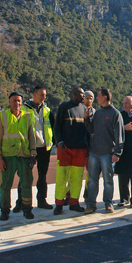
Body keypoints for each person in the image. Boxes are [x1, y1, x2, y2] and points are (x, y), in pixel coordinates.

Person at [0, 92, 37, 221]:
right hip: (8, 156)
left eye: (19, 101)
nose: (17, 103)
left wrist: (33, 153)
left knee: (26, 183)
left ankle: (27, 209)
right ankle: (5, 210)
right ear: (9, 102)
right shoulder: (3, 116)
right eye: (14, 100)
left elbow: (31, 135)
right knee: (6, 185)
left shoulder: (28, 116)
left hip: (24, 155)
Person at [85, 88, 124, 214]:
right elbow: (92, 130)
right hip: (95, 152)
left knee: (108, 180)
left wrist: (117, 153)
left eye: (98, 96)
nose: (96, 98)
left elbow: (119, 135)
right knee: (92, 180)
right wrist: (86, 119)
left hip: (108, 153)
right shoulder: (98, 113)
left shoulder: (115, 113)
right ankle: (91, 205)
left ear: (106, 97)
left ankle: (108, 204)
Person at [16, 85, 55, 211]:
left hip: (44, 148)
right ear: (34, 94)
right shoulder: (23, 109)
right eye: (41, 95)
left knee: (42, 176)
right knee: (25, 176)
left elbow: (53, 127)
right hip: (29, 148)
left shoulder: (47, 110)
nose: (44, 97)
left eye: (45, 95)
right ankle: (21, 202)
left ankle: (42, 200)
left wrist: (53, 142)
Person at [53, 86, 90, 214]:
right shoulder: (64, 107)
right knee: (62, 177)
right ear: (74, 94)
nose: (84, 96)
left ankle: (74, 203)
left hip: (80, 150)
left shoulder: (85, 109)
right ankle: (59, 204)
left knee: (77, 178)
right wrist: (60, 141)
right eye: (81, 94)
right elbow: (57, 127)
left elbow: (87, 130)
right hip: (65, 149)